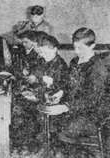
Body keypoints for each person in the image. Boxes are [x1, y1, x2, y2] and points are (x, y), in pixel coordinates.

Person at [47, 28, 110, 157]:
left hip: (92, 113)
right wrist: (61, 93)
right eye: (75, 47)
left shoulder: (97, 67)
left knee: (64, 130)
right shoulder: (75, 62)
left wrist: (65, 107)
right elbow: (69, 85)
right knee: (51, 123)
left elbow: (91, 99)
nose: (76, 51)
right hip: (74, 108)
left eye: (81, 48)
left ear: (92, 46)